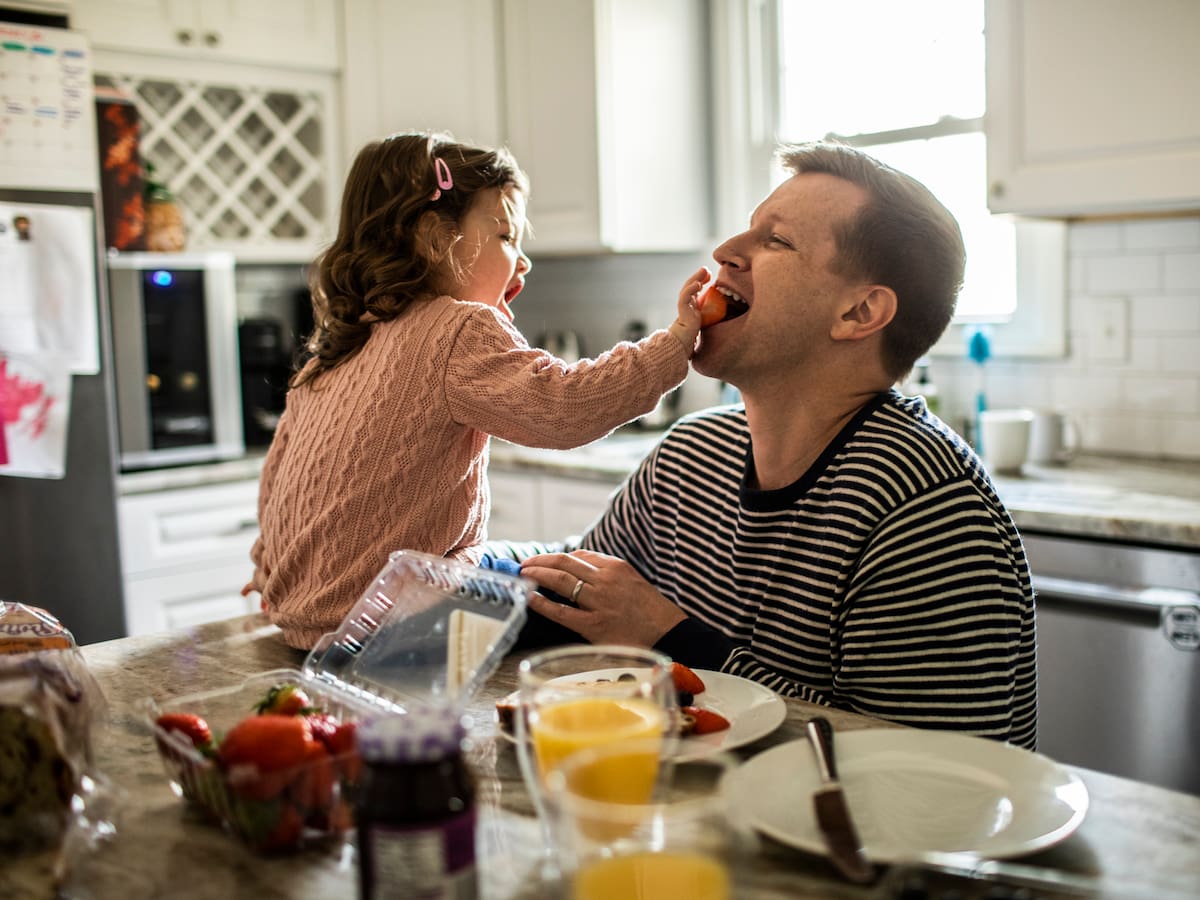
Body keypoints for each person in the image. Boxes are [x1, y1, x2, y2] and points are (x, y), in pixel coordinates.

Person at [493, 141, 1038, 750]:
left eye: (775, 240)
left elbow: (918, 768)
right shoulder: (693, 454)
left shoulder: (927, 511)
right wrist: (442, 563)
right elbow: (582, 586)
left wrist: (668, 636)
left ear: (859, 312)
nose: (726, 252)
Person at [244, 132, 704, 650]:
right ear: (435, 238)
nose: (523, 260)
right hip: (402, 622)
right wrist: (676, 344)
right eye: (506, 236)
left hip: (308, 625)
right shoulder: (456, 329)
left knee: (522, 562)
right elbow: (564, 406)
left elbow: (278, 484)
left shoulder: (333, 350)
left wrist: (270, 571)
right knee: (588, 600)